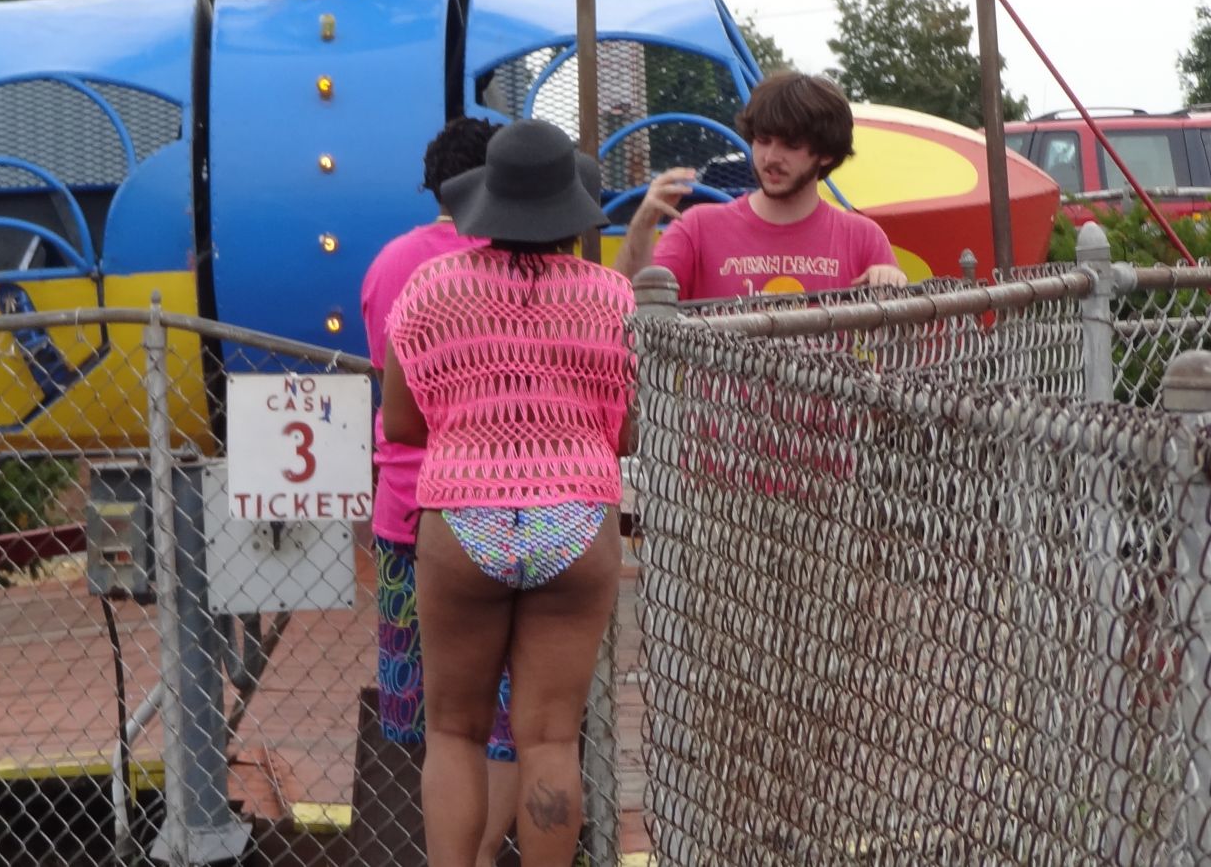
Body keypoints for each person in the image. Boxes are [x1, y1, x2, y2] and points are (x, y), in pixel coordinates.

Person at [382, 119, 636, 867]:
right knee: (551, 736)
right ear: (570, 206)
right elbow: (628, 434)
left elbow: (400, 422)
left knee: (454, 731)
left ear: (486, 199)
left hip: (461, 518)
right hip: (577, 517)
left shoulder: (430, 288)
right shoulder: (613, 299)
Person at [359, 116, 519, 867]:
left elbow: (391, 385)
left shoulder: (393, 264)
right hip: (503, 505)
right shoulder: (518, 261)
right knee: (507, 717)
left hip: (405, 508)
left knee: (430, 717)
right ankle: (488, 854)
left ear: (434, 186)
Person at [615, 70, 909, 297]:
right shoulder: (698, 228)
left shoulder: (861, 237)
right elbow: (630, 309)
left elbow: (897, 347)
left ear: (826, 153)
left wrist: (892, 289)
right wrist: (641, 226)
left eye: (791, 145)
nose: (770, 157)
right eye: (762, 140)